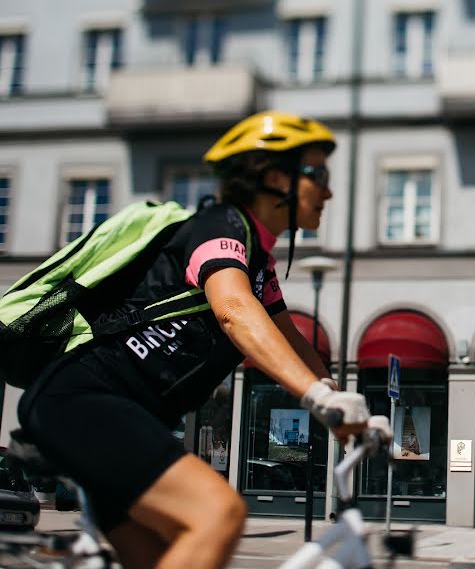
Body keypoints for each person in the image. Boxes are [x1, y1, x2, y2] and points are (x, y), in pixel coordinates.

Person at [17, 110, 388, 569]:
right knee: (219, 514)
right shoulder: (220, 223)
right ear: (274, 176)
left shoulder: (259, 262)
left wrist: (343, 405)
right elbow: (233, 310)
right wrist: (313, 395)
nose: (329, 190)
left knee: (169, 556)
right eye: (318, 174)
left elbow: (290, 340)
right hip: (85, 399)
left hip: (125, 414)